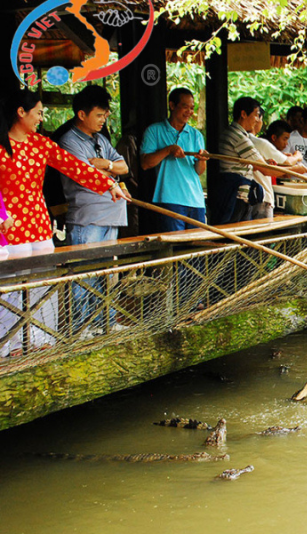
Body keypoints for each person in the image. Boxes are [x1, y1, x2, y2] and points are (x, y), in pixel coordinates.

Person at [0, 89, 127, 356]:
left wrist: (107, 185)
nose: (41, 118)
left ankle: (39, 338)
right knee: (11, 285)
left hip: (38, 223)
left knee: (43, 282)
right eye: (38, 112)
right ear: (21, 112)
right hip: (8, 226)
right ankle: (10, 343)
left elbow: (75, 167)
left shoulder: (41, 143)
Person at [58, 85, 130, 333]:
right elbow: (84, 174)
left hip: (111, 215)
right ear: (82, 114)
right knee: (82, 277)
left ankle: (106, 324)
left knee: (106, 274)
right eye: (99, 115)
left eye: (105, 115)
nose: (103, 120)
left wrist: (106, 164)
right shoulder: (69, 141)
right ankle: (80, 329)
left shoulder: (100, 139)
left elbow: (124, 168)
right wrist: (108, 172)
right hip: (87, 217)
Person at [218, 99, 307, 224]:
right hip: (235, 196)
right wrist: (296, 169)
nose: (257, 119)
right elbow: (266, 170)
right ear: (244, 114)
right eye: (256, 114)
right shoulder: (239, 137)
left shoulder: (237, 134)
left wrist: (264, 162)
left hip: (236, 195)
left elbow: (243, 164)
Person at [140, 87, 209, 232]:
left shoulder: (196, 135)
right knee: (175, 247)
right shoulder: (154, 131)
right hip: (169, 199)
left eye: (192, 108)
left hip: (196, 199)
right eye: (185, 107)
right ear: (172, 105)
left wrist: (202, 159)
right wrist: (168, 150)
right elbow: (145, 163)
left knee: (198, 249)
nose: (189, 112)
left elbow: (199, 171)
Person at [250, 119, 304, 219]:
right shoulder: (263, 144)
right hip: (262, 199)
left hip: (257, 197)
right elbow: (288, 162)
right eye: (285, 139)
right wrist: (297, 156)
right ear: (274, 137)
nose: (286, 143)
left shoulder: (257, 144)